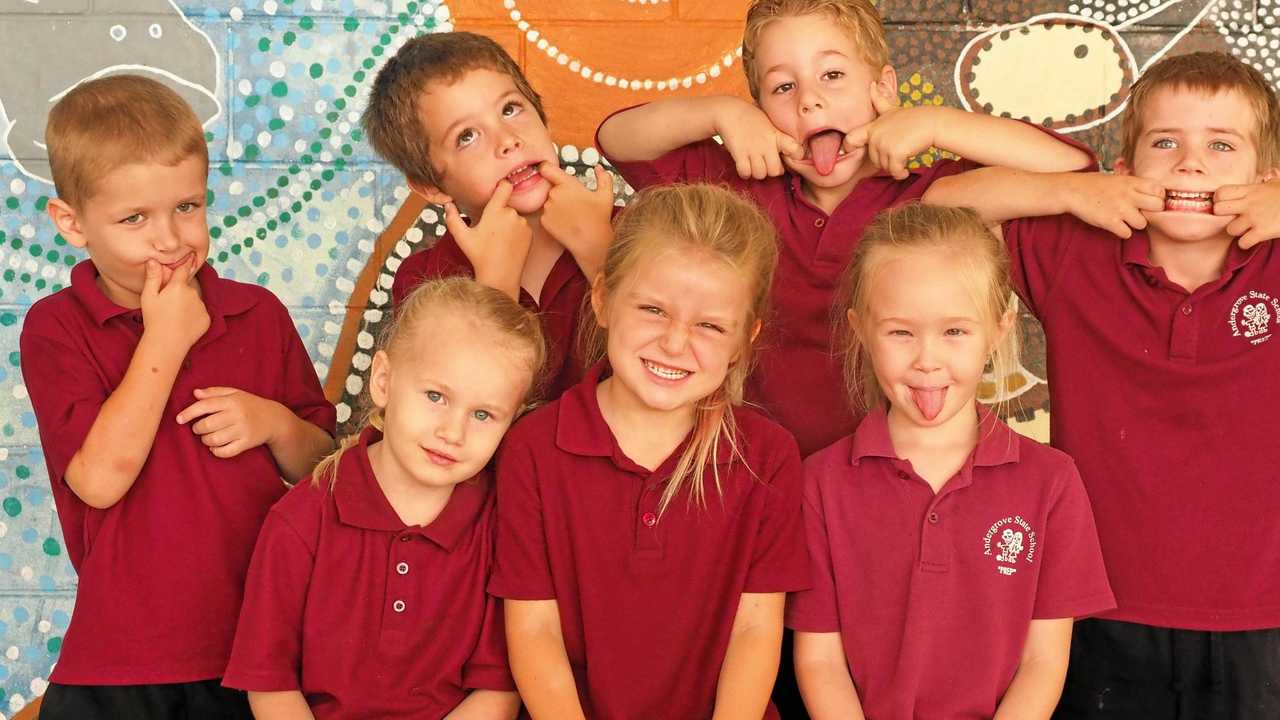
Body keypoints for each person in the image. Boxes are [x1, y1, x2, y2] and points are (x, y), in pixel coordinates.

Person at [923, 51, 1280, 719]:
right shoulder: (1077, 251)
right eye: (1165, 142)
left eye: (1221, 146)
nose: (1190, 164)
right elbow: (940, 206)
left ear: (1266, 179)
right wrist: (1069, 190)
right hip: (1096, 610)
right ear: (1126, 169)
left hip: (1265, 619)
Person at [595, 0, 1094, 457]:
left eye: (832, 75)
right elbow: (618, 140)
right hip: (749, 469)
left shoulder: (927, 201)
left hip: (884, 478)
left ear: (883, 89)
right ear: (762, 111)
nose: (809, 102)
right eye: (783, 87)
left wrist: (936, 124)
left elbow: (1068, 170)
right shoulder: (739, 185)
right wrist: (719, 112)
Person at [21, 75, 335, 719]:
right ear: (72, 223)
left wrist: (273, 421)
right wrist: (165, 337)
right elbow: (100, 480)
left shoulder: (258, 314)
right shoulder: (56, 327)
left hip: (256, 653)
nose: (170, 239)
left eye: (188, 207)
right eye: (134, 218)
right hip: (121, 659)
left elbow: (324, 467)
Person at [490, 184, 809, 719]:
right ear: (602, 300)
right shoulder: (534, 448)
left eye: (709, 325)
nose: (675, 343)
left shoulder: (766, 456)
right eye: (654, 310)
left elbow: (755, 629)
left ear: (744, 342)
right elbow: (534, 629)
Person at [789, 203, 1114, 719]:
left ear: (1000, 329)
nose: (927, 360)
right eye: (900, 332)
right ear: (859, 328)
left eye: (955, 332)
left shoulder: (1051, 483)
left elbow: (1043, 660)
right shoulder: (820, 483)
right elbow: (819, 660)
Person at [223, 277, 545, 719]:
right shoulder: (301, 520)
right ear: (383, 380)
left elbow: (497, 692)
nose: (453, 433)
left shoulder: (501, 527)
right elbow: (270, 682)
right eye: (436, 396)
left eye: (484, 414)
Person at [363, 31, 615, 399]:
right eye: (467, 136)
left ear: (543, 117)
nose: (507, 140)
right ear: (431, 187)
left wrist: (599, 252)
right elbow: (457, 417)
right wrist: (495, 289)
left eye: (510, 109)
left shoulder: (633, 232)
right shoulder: (428, 282)